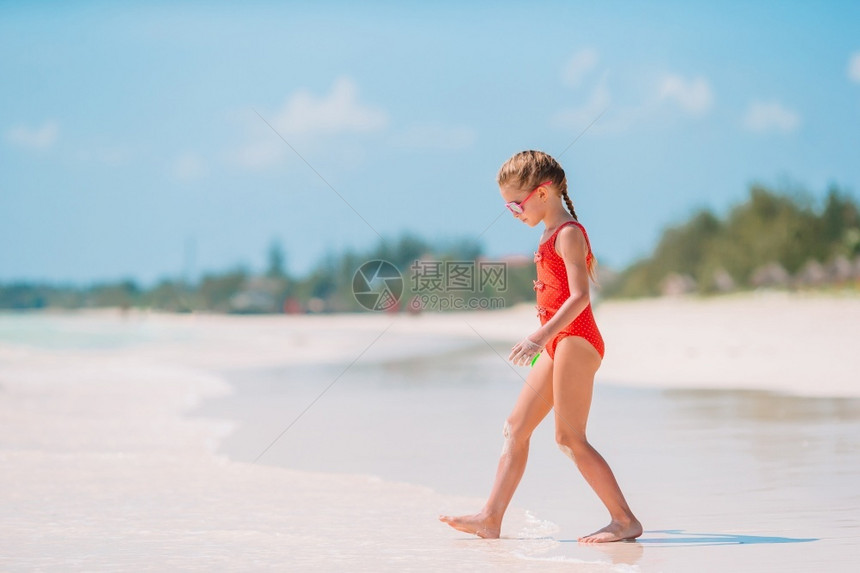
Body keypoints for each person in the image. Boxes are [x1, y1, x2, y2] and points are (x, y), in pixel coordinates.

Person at [439, 150, 642, 543]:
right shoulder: (547, 234)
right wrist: (547, 338)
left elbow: (581, 296)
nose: (513, 212)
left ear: (543, 192)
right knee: (515, 427)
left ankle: (624, 520)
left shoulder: (568, 233)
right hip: (559, 342)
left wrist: (541, 335)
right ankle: (490, 517)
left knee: (569, 438)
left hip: (577, 340)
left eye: (516, 203)